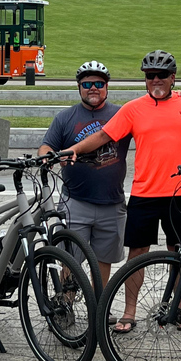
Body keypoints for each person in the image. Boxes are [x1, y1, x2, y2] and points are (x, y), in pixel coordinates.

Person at [68, 50, 181, 333]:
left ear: (173, 78)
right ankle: (129, 311)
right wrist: (74, 150)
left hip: (180, 193)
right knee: (137, 254)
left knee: (180, 252)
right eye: (150, 76)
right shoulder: (133, 108)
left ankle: (180, 307)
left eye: (162, 75)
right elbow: (103, 136)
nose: (156, 80)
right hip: (145, 192)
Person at [37, 61, 131, 289]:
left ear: (107, 87)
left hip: (112, 201)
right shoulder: (65, 117)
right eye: (87, 83)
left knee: (103, 259)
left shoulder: (122, 114)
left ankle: (98, 305)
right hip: (75, 201)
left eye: (99, 83)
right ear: (79, 87)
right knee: (71, 259)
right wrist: (46, 157)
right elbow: (47, 146)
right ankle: (66, 303)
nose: (93, 88)